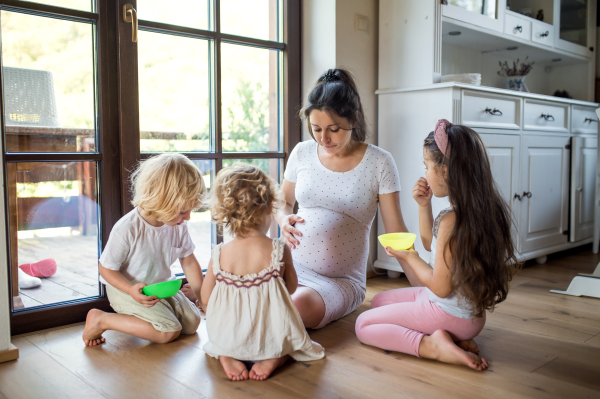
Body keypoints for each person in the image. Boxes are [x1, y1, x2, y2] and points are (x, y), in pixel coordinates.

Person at [355, 120, 519, 370]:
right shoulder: (478, 212)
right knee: (378, 302)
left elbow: (441, 287)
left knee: (363, 325)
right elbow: (433, 246)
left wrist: (409, 257)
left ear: (445, 170)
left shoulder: (451, 221)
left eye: (427, 166)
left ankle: (433, 346)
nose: (425, 173)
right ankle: (457, 339)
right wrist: (424, 205)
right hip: (469, 316)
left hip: (447, 311)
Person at [276, 68, 408, 329]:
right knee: (244, 287)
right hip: (288, 266)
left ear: (354, 119)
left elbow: (397, 233)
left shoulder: (380, 162)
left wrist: (430, 291)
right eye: (316, 129)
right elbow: (283, 201)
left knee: (296, 307)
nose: (323, 138)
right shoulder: (302, 153)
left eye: (333, 129)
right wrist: (282, 219)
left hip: (339, 281)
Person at [201, 164, 324, 381]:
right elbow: (292, 287)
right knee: (289, 334)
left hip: (229, 334)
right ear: (269, 208)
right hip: (269, 332)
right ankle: (275, 356)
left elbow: (206, 298)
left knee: (225, 331)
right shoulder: (278, 248)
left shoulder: (219, 253)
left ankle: (227, 354)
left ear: (226, 213)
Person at [82, 153, 206, 346]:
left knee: (192, 323)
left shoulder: (178, 225)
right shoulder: (128, 228)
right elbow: (105, 269)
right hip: (126, 289)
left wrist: (202, 297)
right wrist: (130, 290)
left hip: (160, 286)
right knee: (169, 331)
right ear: (161, 200)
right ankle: (101, 319)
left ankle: (159, 314)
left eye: (191, 210)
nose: (188, 217)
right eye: (183, 211)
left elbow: (189, 262)